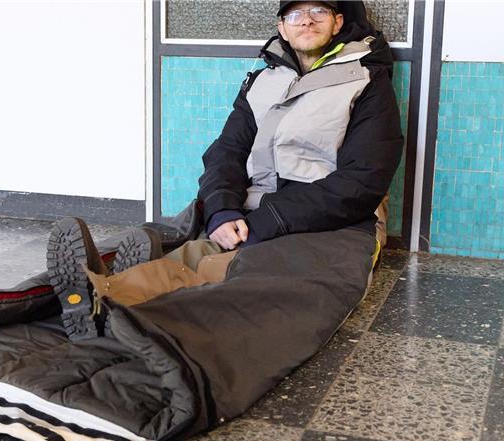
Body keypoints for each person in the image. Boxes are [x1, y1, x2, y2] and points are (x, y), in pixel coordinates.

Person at [47, 0, 403, 341]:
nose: (307, 20)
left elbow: (363, 181)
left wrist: (268, 220)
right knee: (193, 250)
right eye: (295, 14)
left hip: (331, 218)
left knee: (244, 272)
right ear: (282, 27)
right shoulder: (264, 80)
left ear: (337, 21)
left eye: (318, 11)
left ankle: (115, 301)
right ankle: (106, 291)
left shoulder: (367, 81)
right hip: (254, 206)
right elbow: (227, 152)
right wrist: (222, 211)